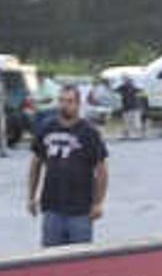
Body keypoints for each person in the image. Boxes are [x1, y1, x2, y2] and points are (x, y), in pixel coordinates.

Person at [25, 77, 109, 245]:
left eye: (69, 101)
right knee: (50, 261)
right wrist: (31, 197)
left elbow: (102, 170)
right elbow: (36, 164)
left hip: (81, 211)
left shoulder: (89, 132)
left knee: (80, 263)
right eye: (62, 101)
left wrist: (98, 203)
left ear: (78, 104)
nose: (65, 105)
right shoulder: (46, 128)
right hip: (52, 208)